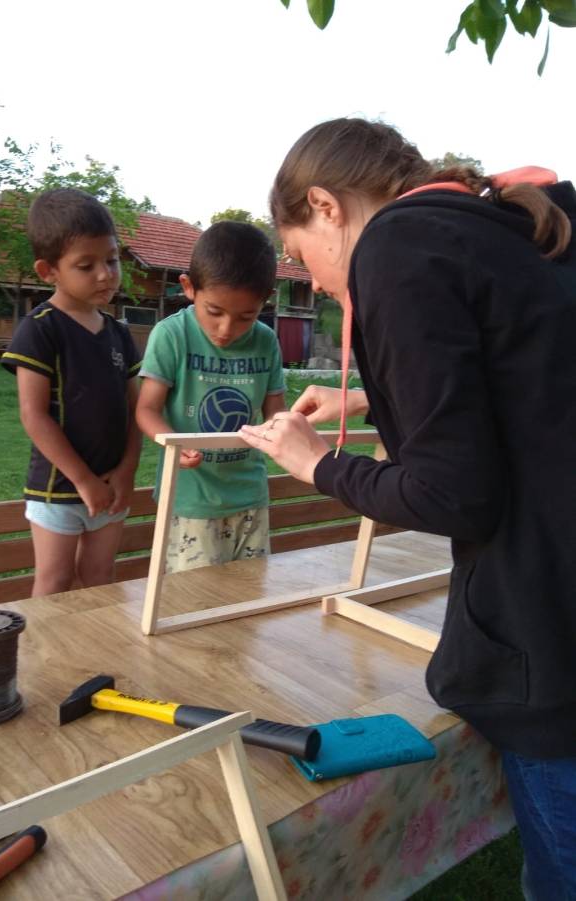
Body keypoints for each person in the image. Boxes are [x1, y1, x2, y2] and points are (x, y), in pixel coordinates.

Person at [240, 118, 576, 900]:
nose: (317, 282)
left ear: (327, 205)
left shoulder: (396, 246)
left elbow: (452, 493)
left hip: (552, 638)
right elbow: (529, 389)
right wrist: (368, 394)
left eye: (300, 257)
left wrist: (316, 464)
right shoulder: (499, 226)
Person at [2, 188, 142, 596]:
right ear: (49, 271)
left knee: (100, 581)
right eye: (86, 265)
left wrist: (127, 471)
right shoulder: (40, 328)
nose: (105, 274)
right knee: (56, 581)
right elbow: (34, 415)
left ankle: (93, 659)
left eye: (112, 260)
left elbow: (136, 410)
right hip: (57, 490)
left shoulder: (118, 333)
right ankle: (45, 662)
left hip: (113, 486)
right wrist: (82, 480)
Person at [136, 220, 285, 572]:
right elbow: (146, 408)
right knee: (192, 602)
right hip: (191, 500)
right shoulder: (172, 335)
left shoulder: (266, 341)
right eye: (214, 311)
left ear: (266, 301)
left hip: (250, 496)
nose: (226, 329)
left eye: (246, 316)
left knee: (249, 600)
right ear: (189, 288)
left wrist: (284, 430)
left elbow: (275, 411)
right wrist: (173, 441)